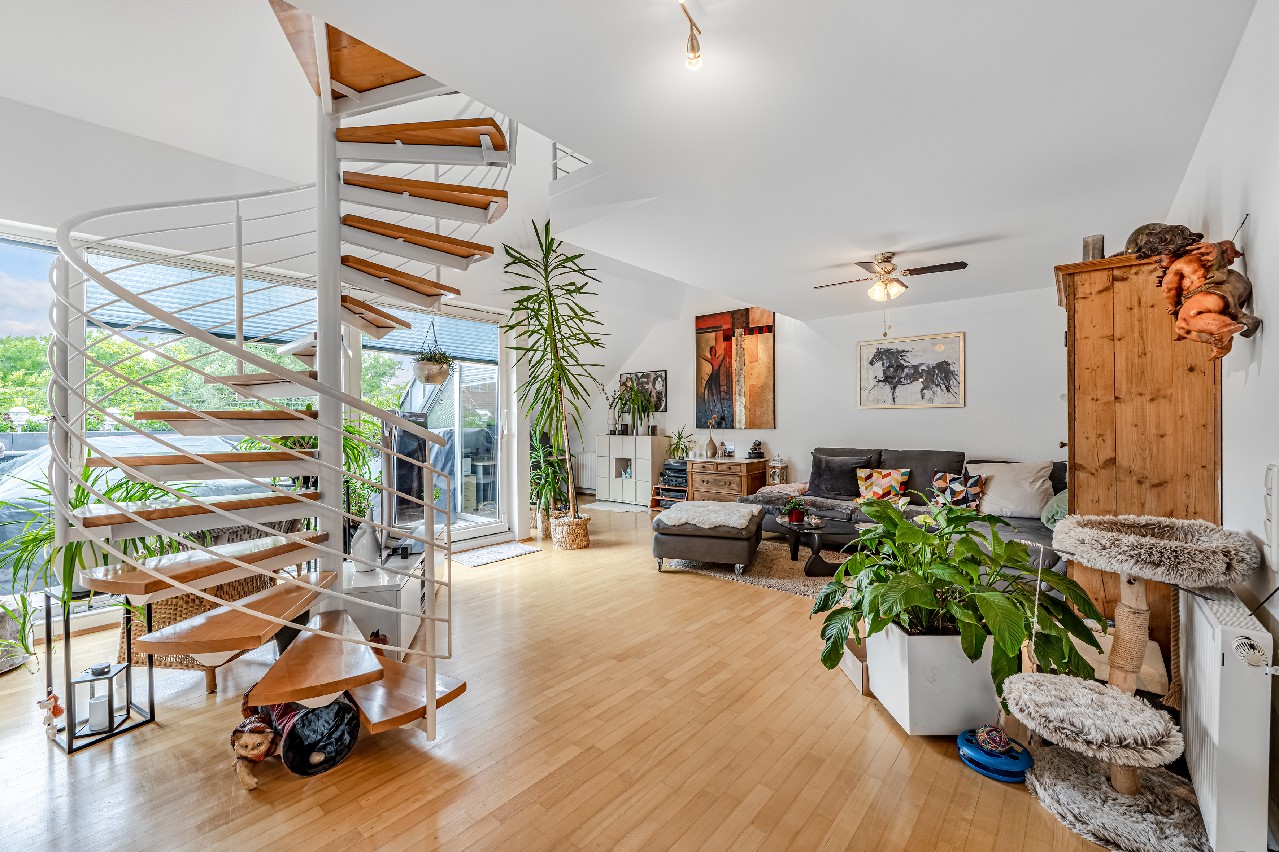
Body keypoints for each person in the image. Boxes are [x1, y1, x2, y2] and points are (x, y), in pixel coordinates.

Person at [700, 343, 727, 425]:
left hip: (715, 377)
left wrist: (725, 346)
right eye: (712, 351)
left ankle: (721, 414)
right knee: (708, 391)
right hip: (712, 377)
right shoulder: (711, 360)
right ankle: (711, 411)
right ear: (711, 352)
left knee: (716, 394)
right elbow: (703, 356)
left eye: (714, 351)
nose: (713, 352)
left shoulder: (718, 360)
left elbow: (724, 353)